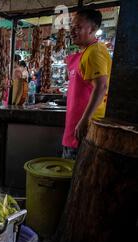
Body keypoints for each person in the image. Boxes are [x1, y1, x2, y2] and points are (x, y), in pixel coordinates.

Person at [62, 9, 111, 160]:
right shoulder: (87, 51)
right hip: (76, 125)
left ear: (93, 28)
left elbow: (101, 87)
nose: (72, 31)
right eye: (72, 27)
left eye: (78, 27)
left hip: (83, 129)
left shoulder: (94, 52)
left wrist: (84, 120)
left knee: (75, 177)